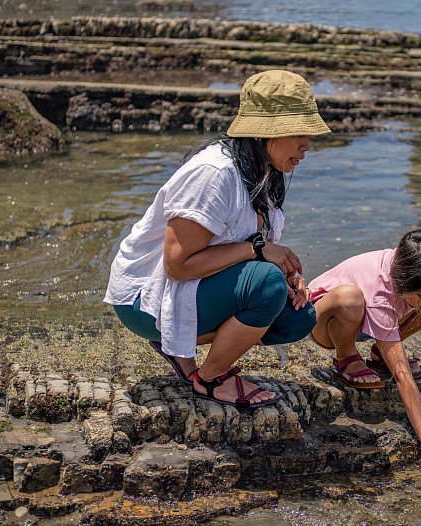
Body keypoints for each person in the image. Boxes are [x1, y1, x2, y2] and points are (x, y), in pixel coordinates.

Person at [104, 70, 330, 409]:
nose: (307, 144)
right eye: (299, 132)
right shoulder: (215, 173)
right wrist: (258, 252)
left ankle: (177, 347)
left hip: (190, 289)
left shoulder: (263, 171)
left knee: (296, 317)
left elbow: (240, 250)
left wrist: (286, 276)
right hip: (144, 300)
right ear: (263, 132)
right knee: (266, 285)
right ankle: (209, 380)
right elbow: (177, 265)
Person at [307, 229, 421, 477]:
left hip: (372, 319)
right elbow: (403, 378)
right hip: (328, 321)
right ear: (403, 280)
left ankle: (380, 353)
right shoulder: (381, 297)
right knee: (350, 298)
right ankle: (346, 357)